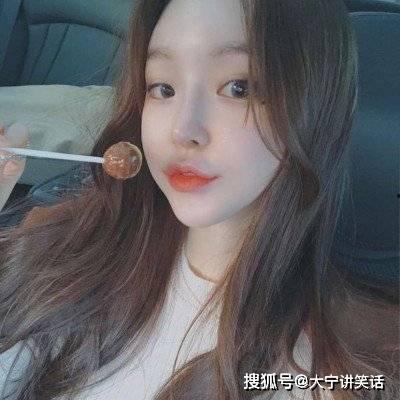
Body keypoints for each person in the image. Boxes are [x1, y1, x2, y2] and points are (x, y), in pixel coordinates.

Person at [0, 0, 398, 399]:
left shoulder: (342, 372)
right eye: (163, 89)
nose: (183, 130)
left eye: (239, 88)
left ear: (318, 106)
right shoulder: (58, 247)